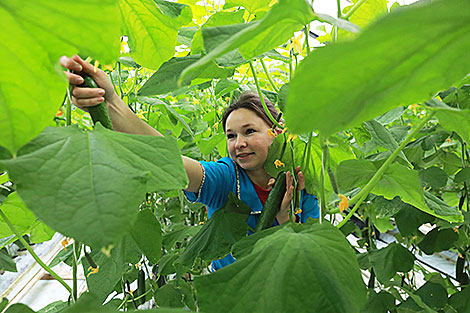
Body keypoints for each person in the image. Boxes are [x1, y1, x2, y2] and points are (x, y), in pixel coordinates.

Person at [60, 55, 319, 270]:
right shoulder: (227, 178)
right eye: (231, 136)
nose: (238, 143)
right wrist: (112, 103)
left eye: (249, 131)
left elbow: (307, 262)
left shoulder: (300, 187)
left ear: (277, 131)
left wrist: (285, 215)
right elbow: (172, 162)